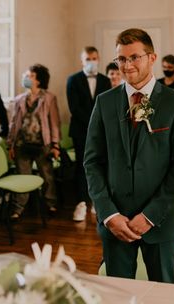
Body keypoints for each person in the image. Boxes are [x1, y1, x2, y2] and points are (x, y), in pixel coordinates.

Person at [84, 28, 174, 282]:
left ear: (152, 58)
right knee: (119, 295)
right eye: (121, 59)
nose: (127, 65)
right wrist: (109, 214)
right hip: (116, 223)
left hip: (160, 222)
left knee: (162, 295)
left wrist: (150, 216)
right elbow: (92, 162)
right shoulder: (105, 102)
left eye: (134, 57)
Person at [7, 64, 60, 220]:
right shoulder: (19, 99)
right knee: (23, 175)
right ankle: (18, 209)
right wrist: (10, 144)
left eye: (29, 75)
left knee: (47, 175)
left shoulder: (49, 98)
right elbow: (13, 123)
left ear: (38, 80)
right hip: (22, 145)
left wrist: (55, 145)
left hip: (43, 144)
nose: (26, 78)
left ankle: (50, 203)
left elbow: (54, 123)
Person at [67, 46, 111, 222]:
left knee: (100, 167)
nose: (91, 62)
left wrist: (99, 127)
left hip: (101, 132)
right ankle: (80, 204)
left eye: (94, 58)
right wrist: (93, 124)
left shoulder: (104, 80)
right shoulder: (73, 80)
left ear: (98, 59)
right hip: (80, 131)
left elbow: (106, 106)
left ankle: (96, 201)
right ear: (82, 61)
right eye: (88, 59)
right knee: (81, 167)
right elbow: (74, 108)